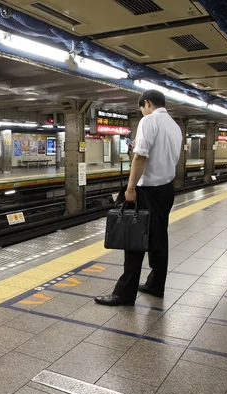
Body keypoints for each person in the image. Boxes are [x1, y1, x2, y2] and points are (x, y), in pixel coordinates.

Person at [95, 89, 182, 306]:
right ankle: (155, 284)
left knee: (133, 238)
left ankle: (124, 294)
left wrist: (131, 188)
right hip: (166, 190)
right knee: (159, 238)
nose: (142, 112)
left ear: (147, 103)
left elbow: (140, 157)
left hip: (147, 190)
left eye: (141, 108)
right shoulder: (175, 126)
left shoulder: (149, 121)